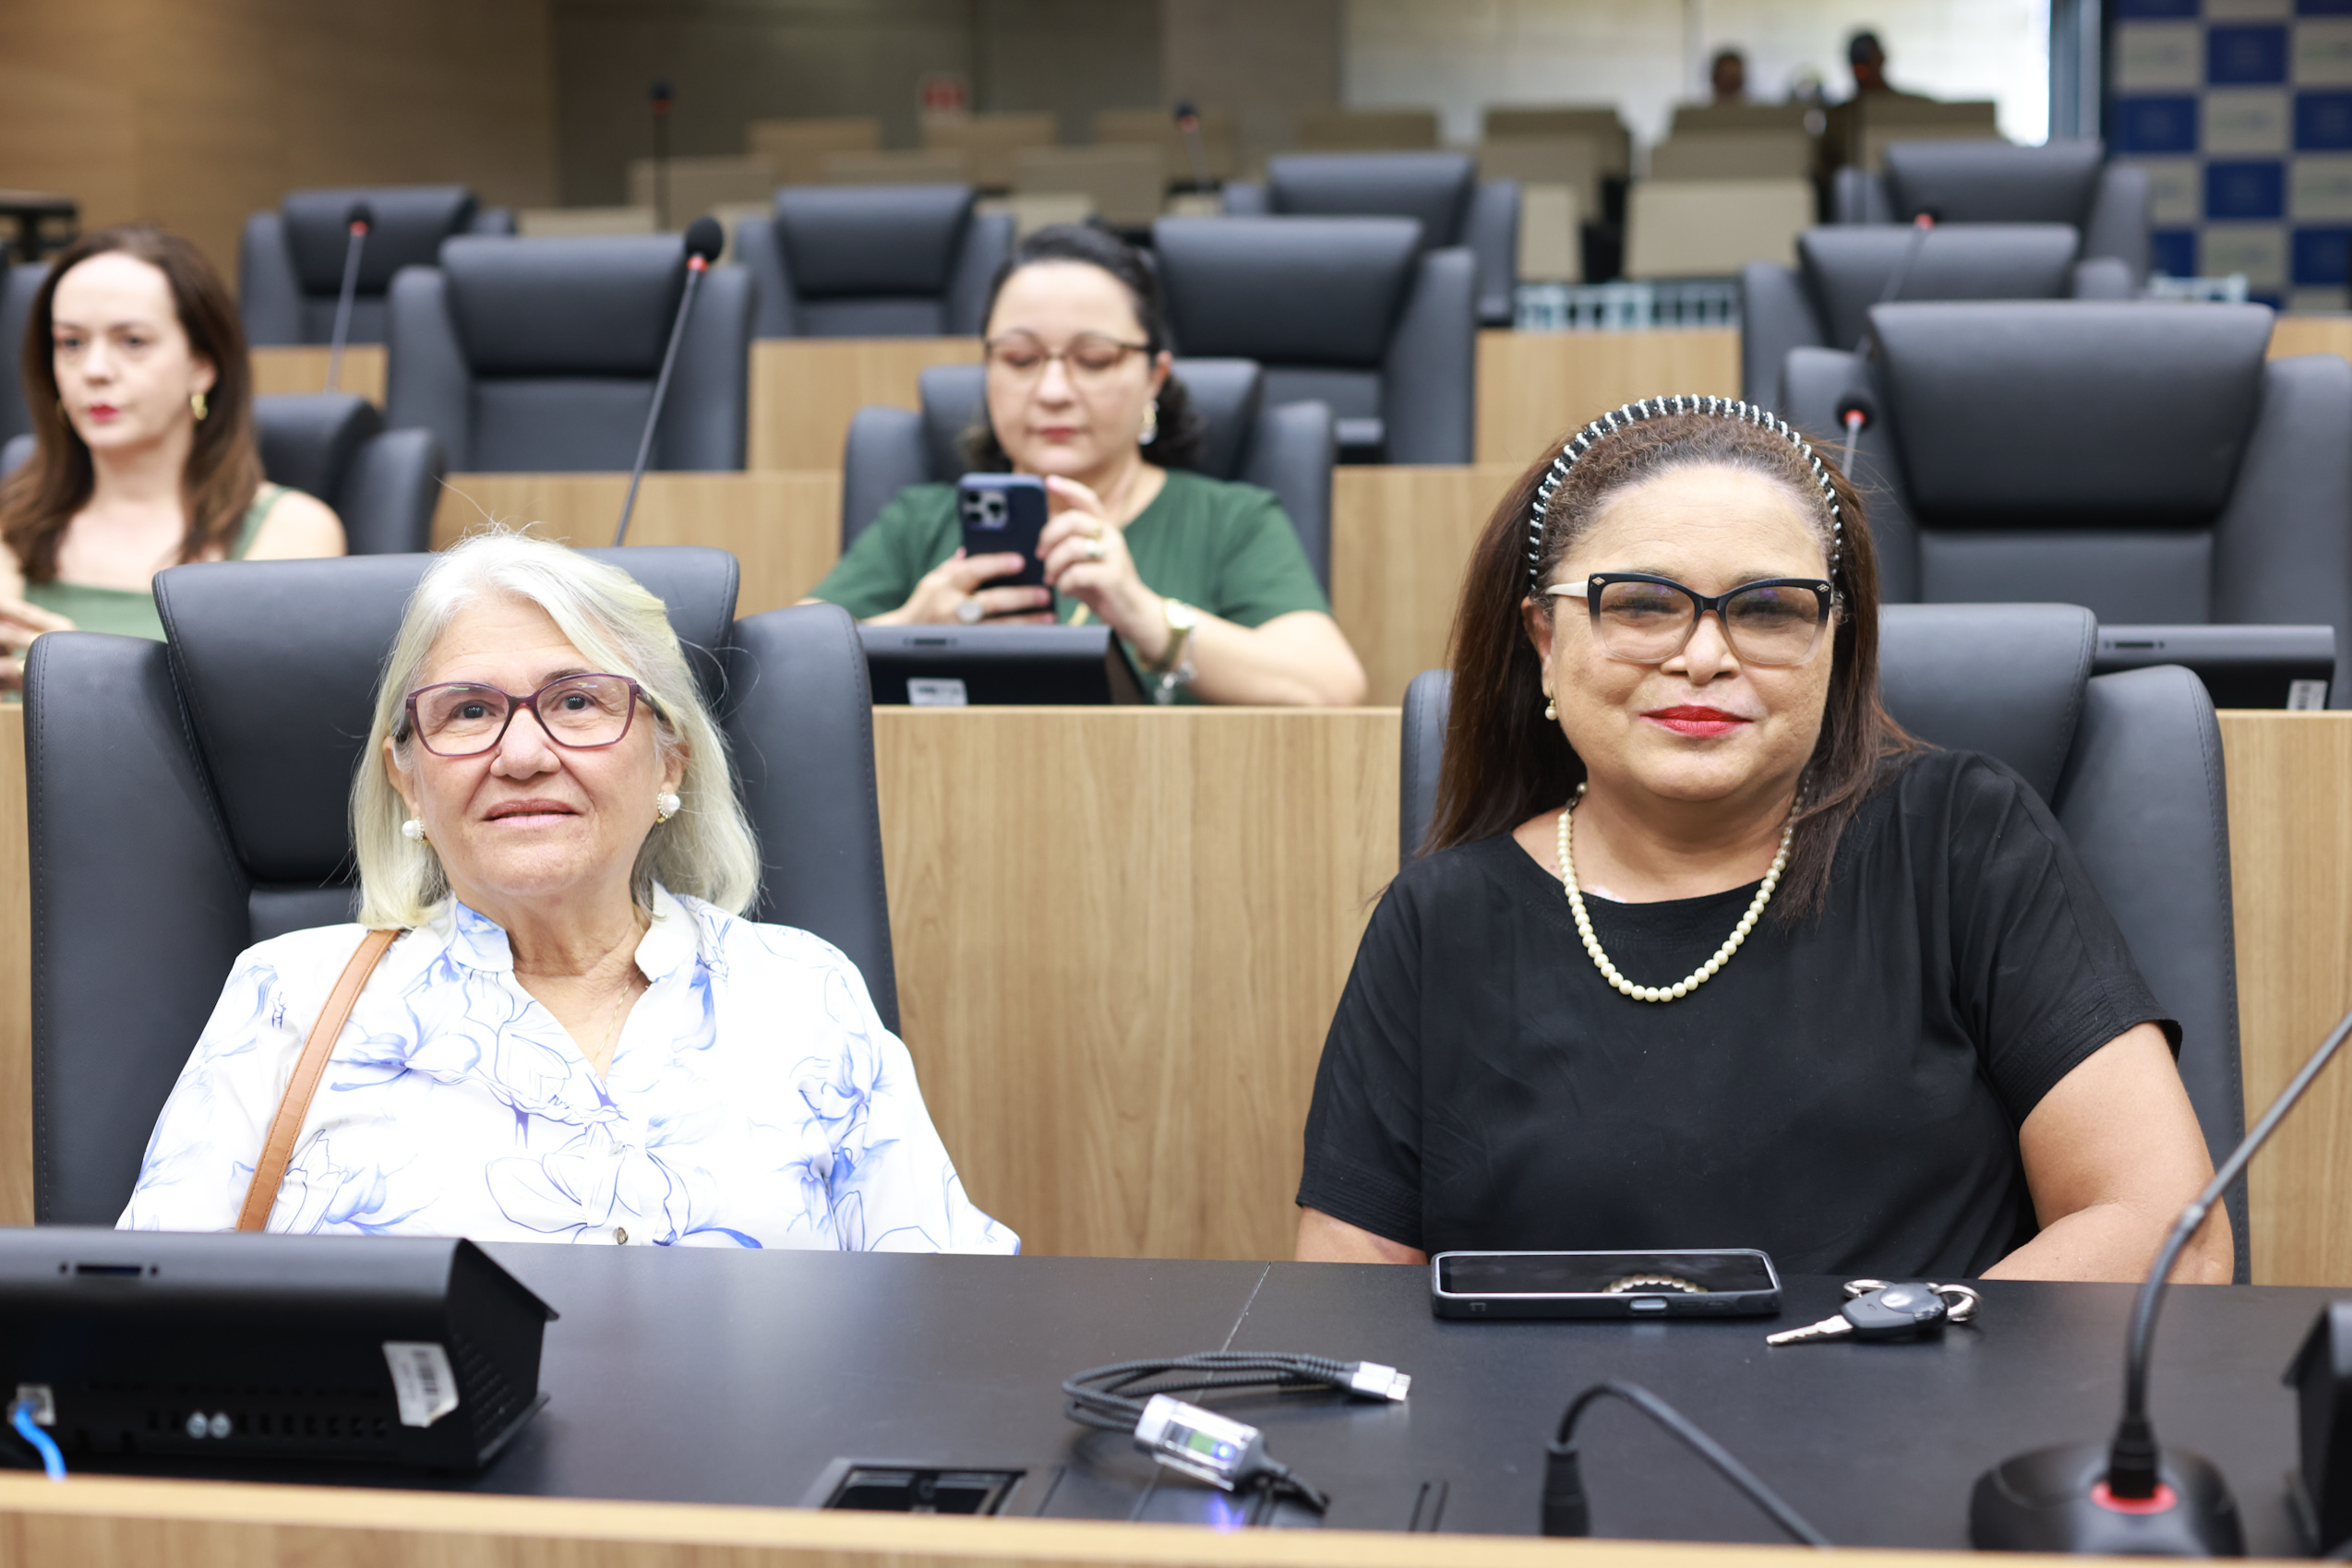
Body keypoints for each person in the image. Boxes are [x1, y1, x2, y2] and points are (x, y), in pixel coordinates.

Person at [1292, 398, 2229, 1285]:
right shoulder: (1439, 917)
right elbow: (1353, 1285)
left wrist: (1894, 1375)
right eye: (1642, 604)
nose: (1703, 655)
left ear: (1834, 642)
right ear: (1543, 637)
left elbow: (2161, 1227)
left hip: (1914, 1435)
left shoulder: (1959, 839)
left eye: (1770, 609)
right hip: (1545, 1451)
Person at [122, 530, 1014, 1253]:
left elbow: (945, 1312)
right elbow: (144, 1331)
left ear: (671, 755)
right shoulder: (288, 995)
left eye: (578, 701)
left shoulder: (803, 992)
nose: (521, 754)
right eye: (468, 711)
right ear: (406, 778)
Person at [809, 224, 1365, 707]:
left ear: (1155, 375)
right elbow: (783, 662)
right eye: (1021, 360)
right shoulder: (920, 519)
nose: (1052, 391)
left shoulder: (1233, 521)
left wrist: (1147, 618)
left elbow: (1332, 687)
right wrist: (908, 631)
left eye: (1093, 361)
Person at [0, 226, 344, 688]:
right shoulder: (11, 523)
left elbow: (261, 728)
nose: (95, 370)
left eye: (133, 342)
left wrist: (79, 670)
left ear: (202, 365)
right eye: (71, 343)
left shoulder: (293, 531)